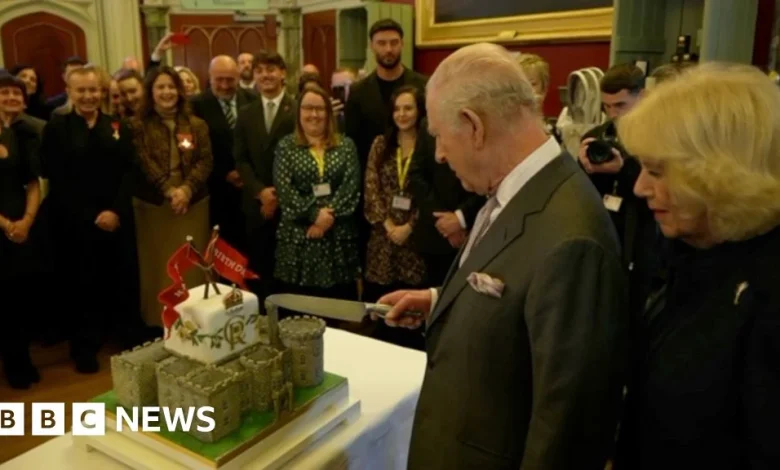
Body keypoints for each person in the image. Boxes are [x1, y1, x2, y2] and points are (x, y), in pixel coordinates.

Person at [377, 43, 628, 469]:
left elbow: (564, 433)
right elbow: (518, 290)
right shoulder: (517, 191)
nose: (439, 154)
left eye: (439, 135)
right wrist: (443, 301)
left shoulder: (572, 238)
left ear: (474, 126)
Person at [613, 63, 780, 470]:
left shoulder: (767, 295)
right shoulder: (688, 254)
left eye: (656, 171)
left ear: (722, 174)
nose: (639, 187)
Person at [40, 65, 141, 372]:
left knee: (116, 278)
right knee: (80, 285)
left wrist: (115, 211)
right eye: (81, 90)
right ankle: (83, 347)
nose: (88, 96)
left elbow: (128, 172)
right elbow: (57, 177)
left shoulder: (116, 125)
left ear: (102, 91)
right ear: (69, 92)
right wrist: (92, 216)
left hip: (115, 218)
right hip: (75, 221)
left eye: (93, 89)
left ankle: (118, 336)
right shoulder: (57, 127)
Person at [129, 66, 213, 327]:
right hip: (154, 206)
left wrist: (186, 190)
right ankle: (160, 323)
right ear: (151, 92)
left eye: (171, 86)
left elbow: (205, 161)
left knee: (191, 267)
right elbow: (143, 162)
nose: (167, 92)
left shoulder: (196, 124)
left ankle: (194, 321)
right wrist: (169, 190)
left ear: (180, 90)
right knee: (158, 268)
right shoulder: (138, 126)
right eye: (160, 87)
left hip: (192, 205)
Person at [578, 63, 663, 318]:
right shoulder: (597, 137)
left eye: (620, 105)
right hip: (605, 234)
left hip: (644, 238)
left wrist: (624, 169)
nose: (613, 114)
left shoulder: (659, 138)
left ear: (642, 96)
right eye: (607, 107)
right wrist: (585, 168)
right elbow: (583, 195)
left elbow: (659, 190)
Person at [273, 85, 361, 303]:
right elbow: (285, 192)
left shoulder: (346, 145)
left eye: (320, 109)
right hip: (299, 239)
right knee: (300, 308)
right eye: (308, 108)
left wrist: (326, 219)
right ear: (298, 112)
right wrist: (314, 215)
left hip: (338, 239)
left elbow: (351, 187)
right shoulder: (286, 147)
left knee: (338, 306)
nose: (314, 114)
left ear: (328, 113)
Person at [234, 51, 296, 308]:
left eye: (271, 69)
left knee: (287, 267)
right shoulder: (245, 113)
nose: (265, 75)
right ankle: (261, 316)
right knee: (259, 266)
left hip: (290, 203)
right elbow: (240, 159)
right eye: (259, 71)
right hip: (256, 204)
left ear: (282, 73)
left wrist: (278, 194)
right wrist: (261, 192)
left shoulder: (298, 108)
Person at [0, 75, 43, 389]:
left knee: (22, 296)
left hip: (22, 226)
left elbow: (33, 183)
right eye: (4, 93)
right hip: (2, 227)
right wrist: (6, 225)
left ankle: (23, 359)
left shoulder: (24, 134)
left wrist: (26, 221)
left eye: (17, 93)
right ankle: (12, 364)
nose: (12, 97)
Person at [190, 56, 255, 252]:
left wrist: (245, 173)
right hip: (216, 191)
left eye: (230, 79)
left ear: (238, 77)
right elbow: (194, 150)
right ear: (209, 78)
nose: (225, 85)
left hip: (250, 191)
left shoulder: (253, 99)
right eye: (219, 80)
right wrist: (224, 173)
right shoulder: (195, 105)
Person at [345, 19, 428, 169]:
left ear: (402, 44)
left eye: (394, 43)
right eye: (381, 43)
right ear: (372, 46)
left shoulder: (422, 86)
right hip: (372, 172)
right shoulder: (358, 92)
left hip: (416, 170)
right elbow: (353, 143)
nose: (388, 49)